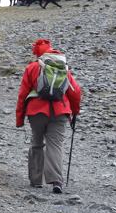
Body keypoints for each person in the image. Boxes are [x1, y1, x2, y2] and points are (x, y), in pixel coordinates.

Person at [15, 38, 82, 194]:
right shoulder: (62, 67)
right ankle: (56, 181)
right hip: (60, 112)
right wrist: (75, 112)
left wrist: (19, 119)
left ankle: (36, 180)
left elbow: (22, 94)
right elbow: (75, 92)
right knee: (55, 145)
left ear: (37, 53)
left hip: (36, 112)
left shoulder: (32, 67)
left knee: (37, 143)